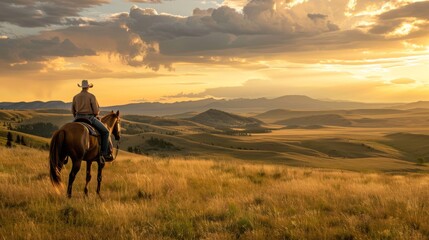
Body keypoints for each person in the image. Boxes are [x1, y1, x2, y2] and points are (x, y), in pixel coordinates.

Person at [72, 80, 113, 161]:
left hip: (77, 118)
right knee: (106, 132)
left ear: (81, 87)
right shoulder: (91, 96)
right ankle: (104, 154)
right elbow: (95, 111)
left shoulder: (75, 97)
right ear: (88, 87)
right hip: (89, 118)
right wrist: (96, 113)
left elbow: (73, 111)